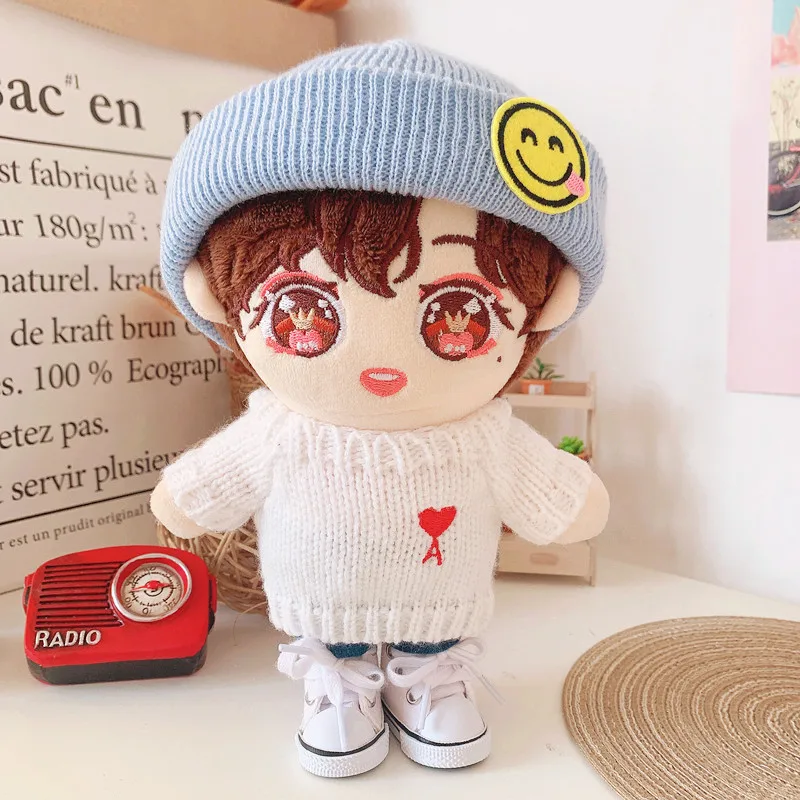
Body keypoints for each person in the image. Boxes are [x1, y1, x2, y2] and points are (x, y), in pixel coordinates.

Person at [151, 40, 609, 778]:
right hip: (320, 600)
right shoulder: (278, 430)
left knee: (431, 627)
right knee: (334, 635)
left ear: (543, 309)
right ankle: (339, 682)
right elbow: (202, 489)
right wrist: (186, 496)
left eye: (461, 314)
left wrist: (568, 501)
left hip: (440, 601)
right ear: (216, 297)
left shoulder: (482, 436)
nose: (382, 365)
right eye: (302, 309)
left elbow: (555, 497)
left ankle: (428, 675)